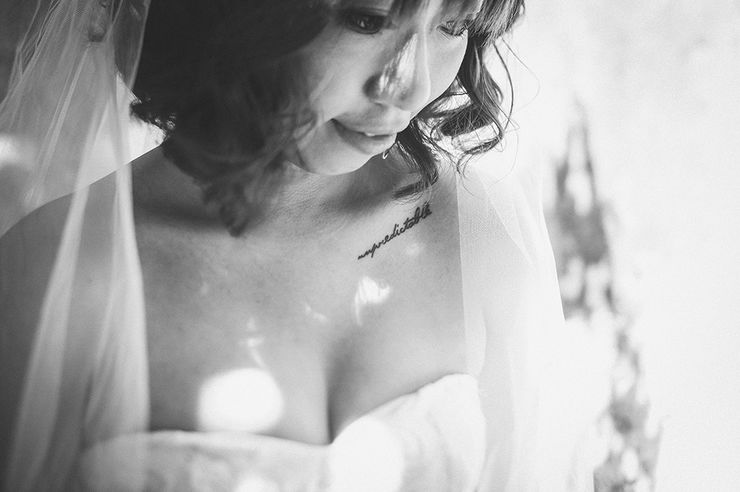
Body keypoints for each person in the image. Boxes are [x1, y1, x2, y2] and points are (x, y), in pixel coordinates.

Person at [0, 0, 594, 490]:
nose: (408, 86)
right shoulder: (57, 273)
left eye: (454, 25)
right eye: (365, 20)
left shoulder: (475, 229)